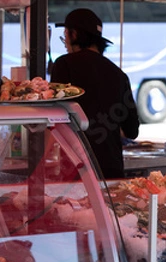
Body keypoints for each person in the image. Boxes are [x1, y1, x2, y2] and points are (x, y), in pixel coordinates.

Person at [51, 8, 140, 179]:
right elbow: (132, 131)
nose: (66, 43)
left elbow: (55, 116)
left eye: (65, 37)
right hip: (112, 172)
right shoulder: (119, 75)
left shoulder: (64, 65)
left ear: (74, 35)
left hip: (76, 171)